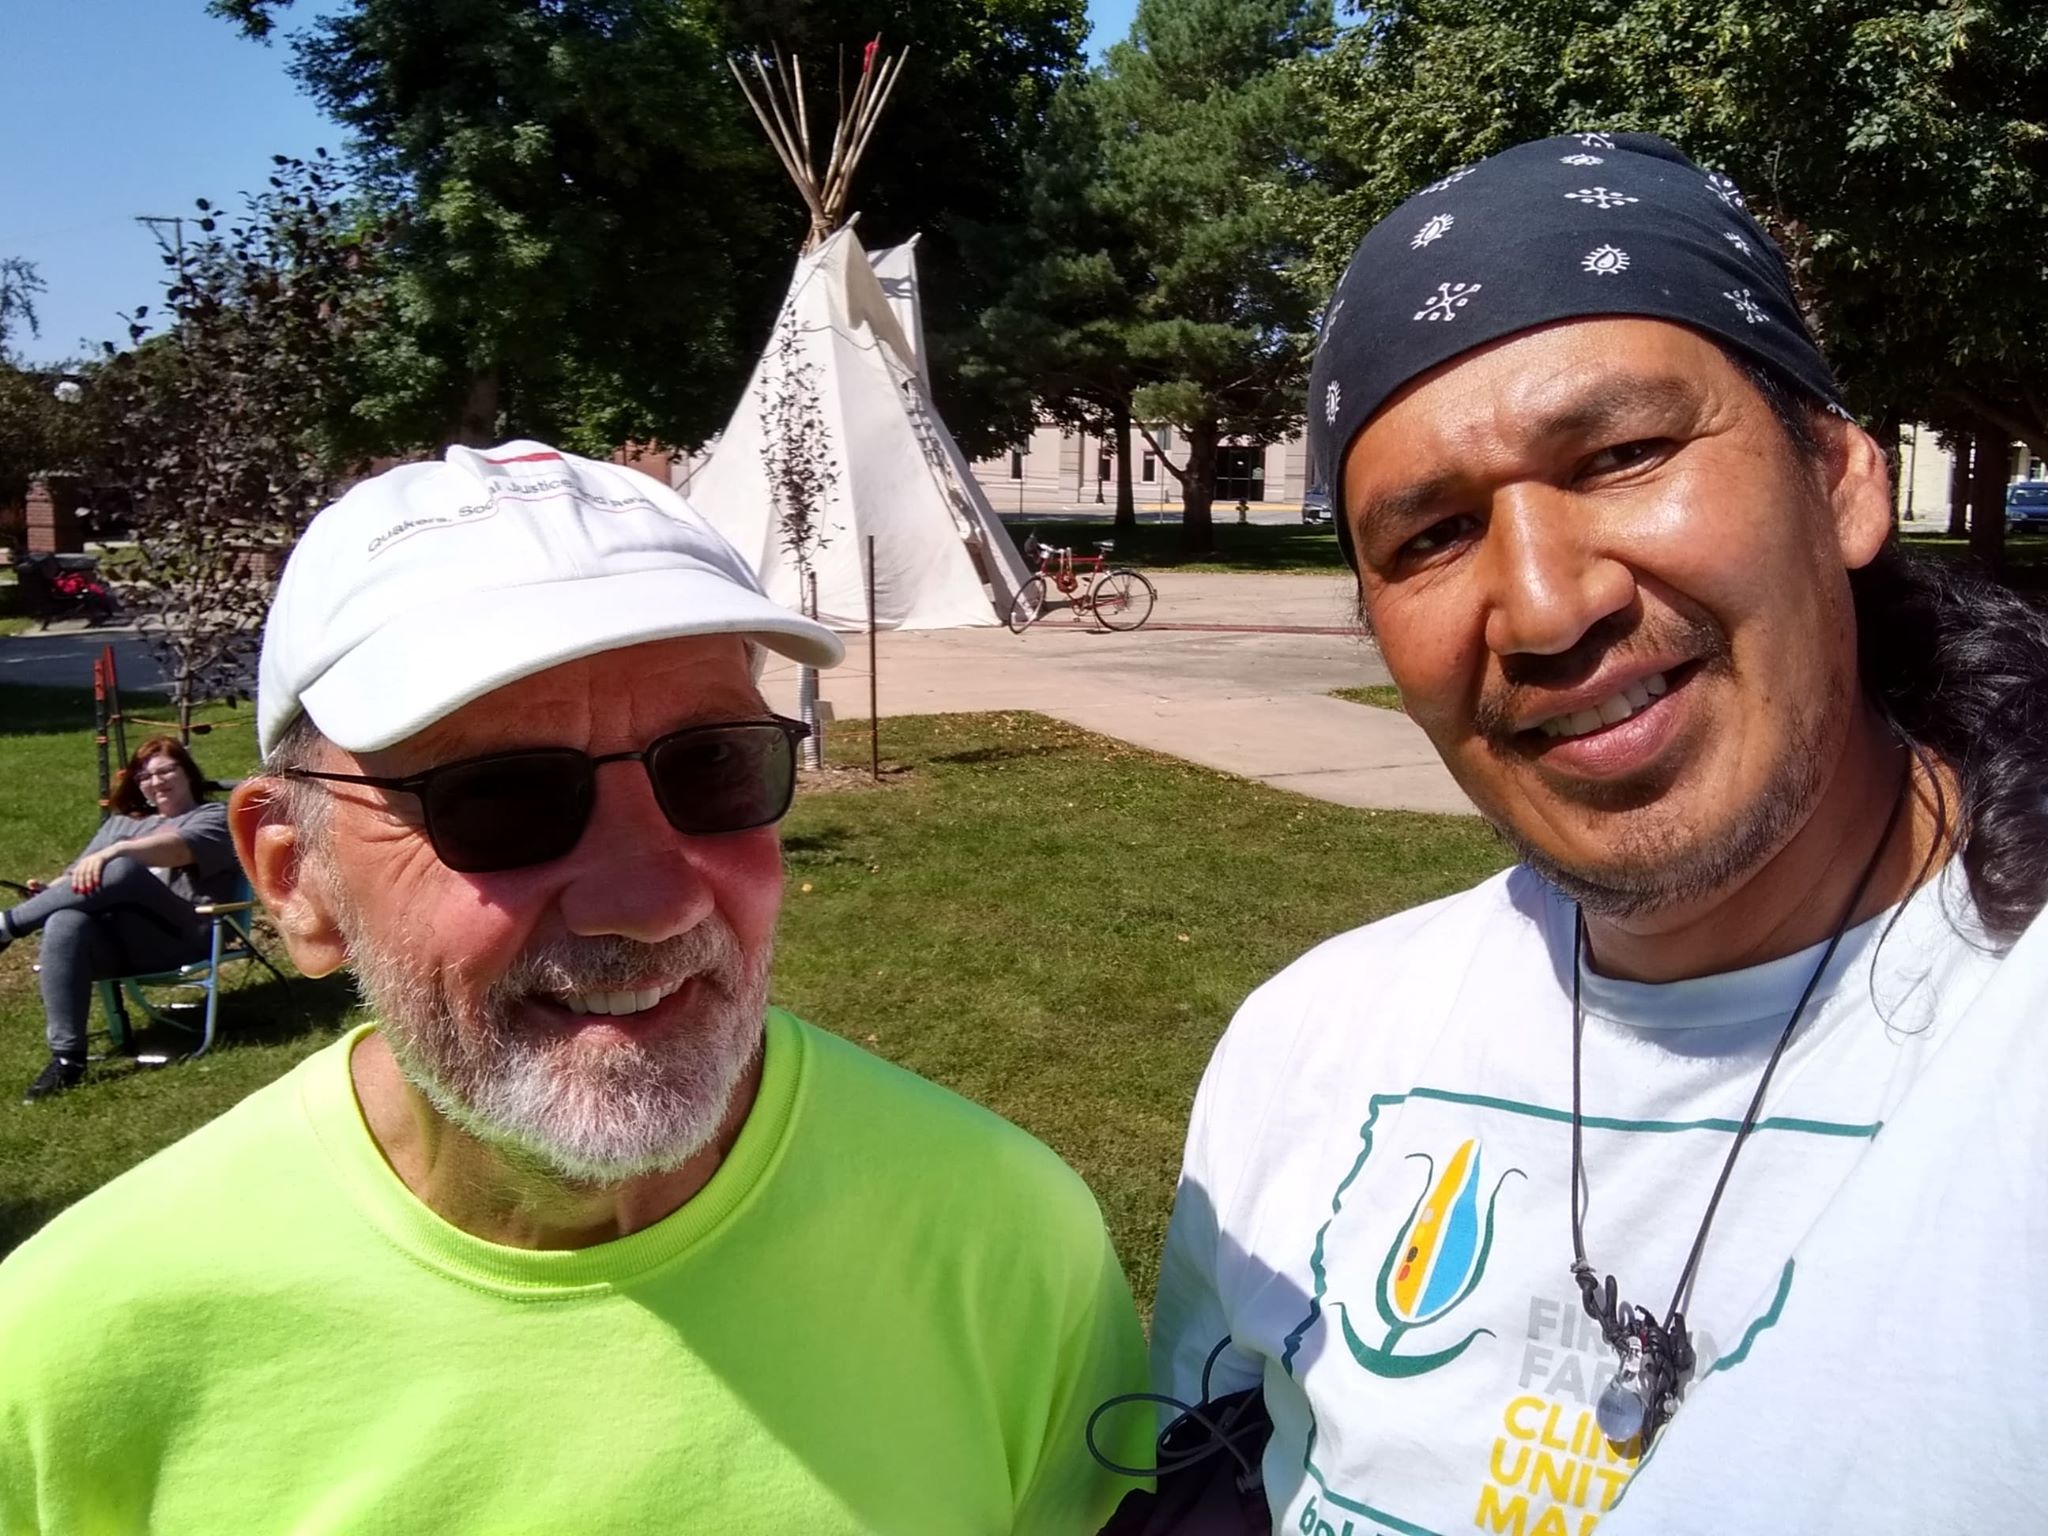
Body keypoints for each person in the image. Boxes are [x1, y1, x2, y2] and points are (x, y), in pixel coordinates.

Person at [1148, 134, 2048, 1534]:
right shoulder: (1309, 1048)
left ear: (1839, 480)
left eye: (1623, 455)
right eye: (1432, 536)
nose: (1546, 606)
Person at [0, 442, 1148, 1531]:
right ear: (295, 879)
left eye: (712, 765)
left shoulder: (1005, 1239)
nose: (650, 902)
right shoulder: (73, 1351)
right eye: (497, 797)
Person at [3, 735, 242, 1101]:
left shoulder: (213, 817)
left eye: (166, 771)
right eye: (145, 776)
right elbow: (77, 877)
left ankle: (6, 927)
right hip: (121, 942)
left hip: (184, 934)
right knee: (64, 921)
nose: (156, 782)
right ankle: (68, 1059)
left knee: (121, 868)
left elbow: (178, 851)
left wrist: (116, 852)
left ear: (188, 772)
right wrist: (48, 894)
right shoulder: (120, 825)